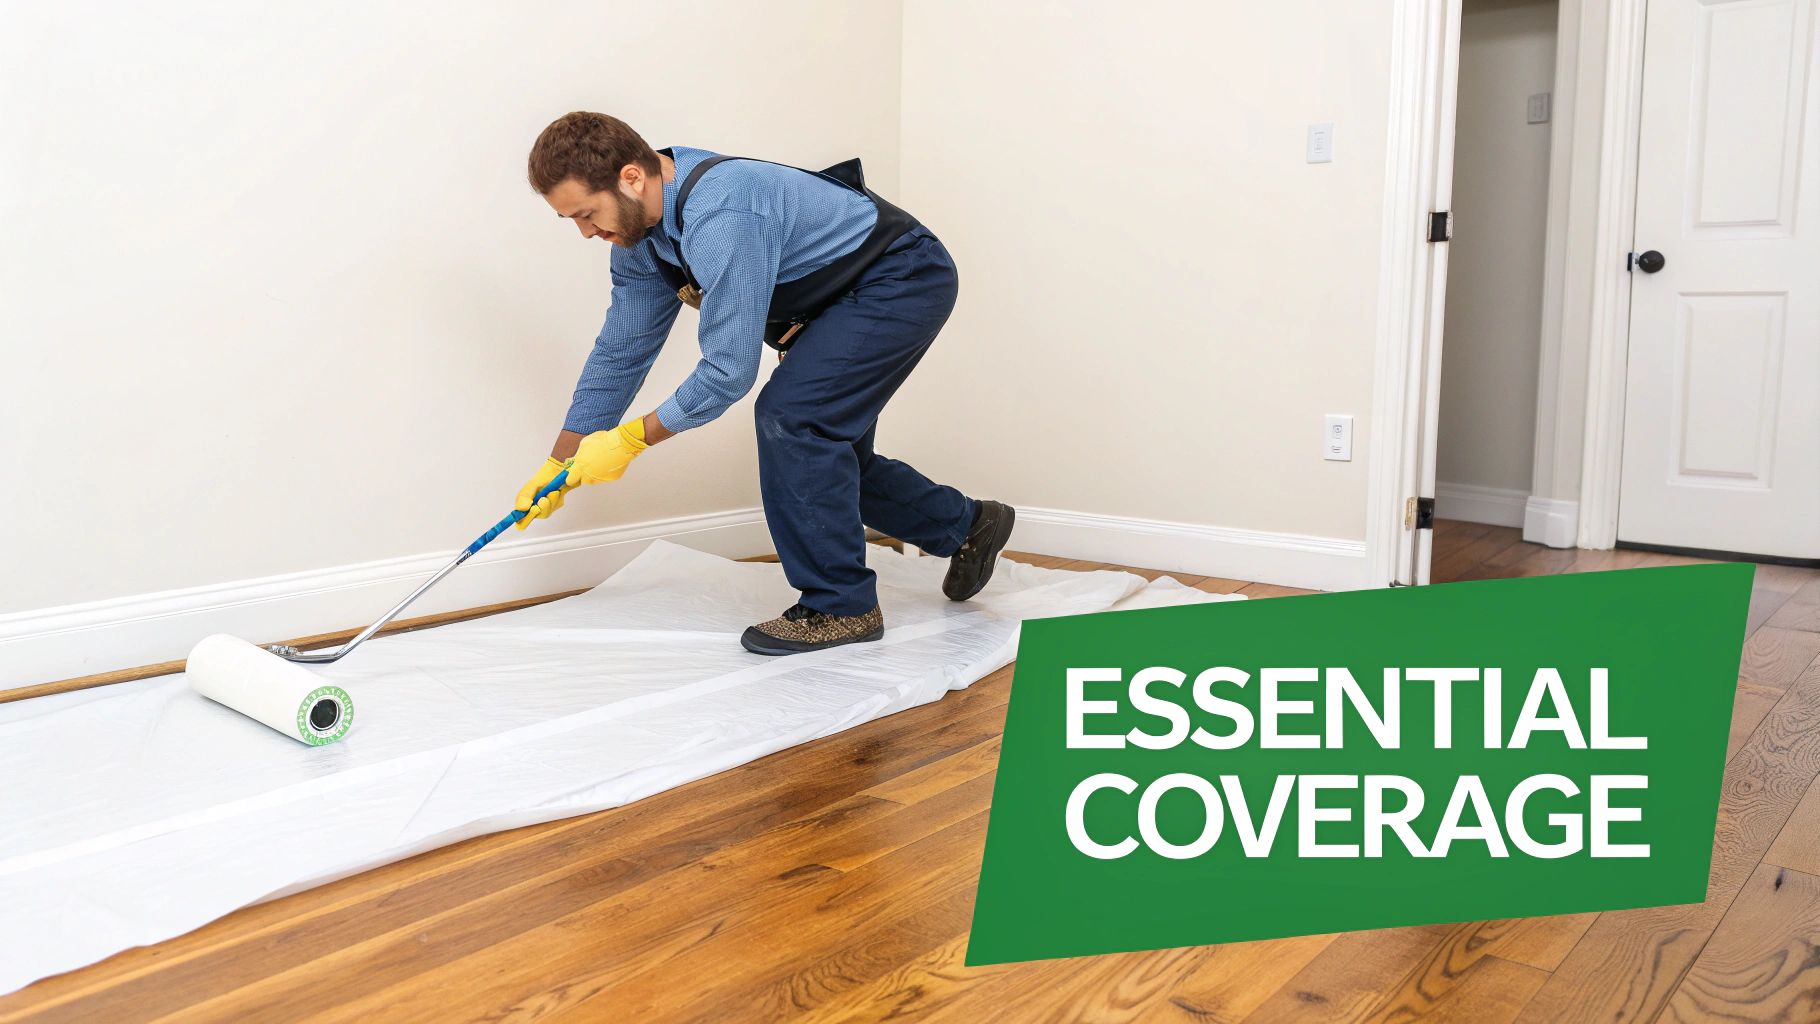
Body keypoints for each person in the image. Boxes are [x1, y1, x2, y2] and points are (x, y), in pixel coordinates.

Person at [515, 112, 1015, 656]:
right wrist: (561, 461)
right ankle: (966, 526)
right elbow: (622, 349)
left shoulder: (722, 212)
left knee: (794, 419)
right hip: (833, 302)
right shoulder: (638, 237)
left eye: (587, 214)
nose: (587, 232)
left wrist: (633, 439)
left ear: (632, 177)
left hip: (900, 279)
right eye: (573, 221)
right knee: (823, 450)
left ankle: (839, 607)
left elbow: (729, 371)